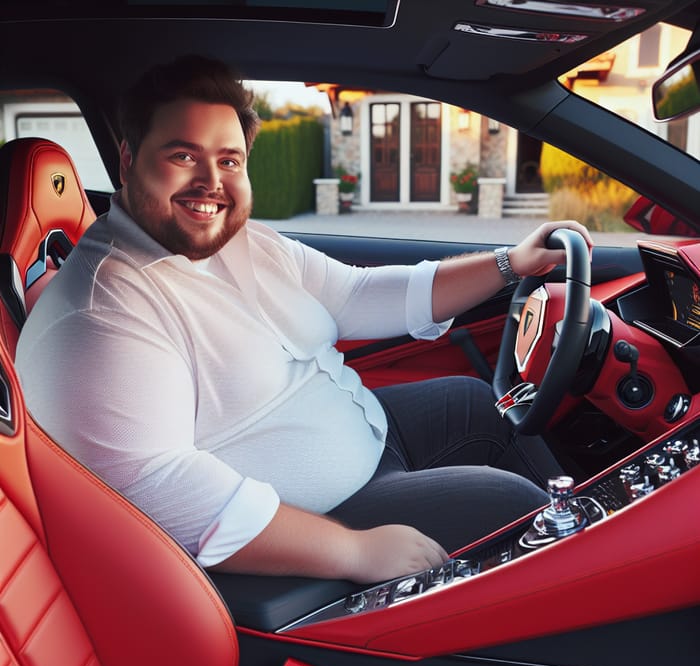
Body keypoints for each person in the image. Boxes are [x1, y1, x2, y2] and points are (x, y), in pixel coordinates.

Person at [16, 55, 592, 585]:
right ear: (127, 158)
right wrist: (354, 551)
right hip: (317, 519)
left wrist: (508, 264)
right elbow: (154, 487)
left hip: (369, 440)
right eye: (183, 155)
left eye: (229, 160)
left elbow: (356, 293)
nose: (210, 182)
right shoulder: (102, 313)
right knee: (514, 503)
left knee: (477, 405)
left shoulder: (241, 242)